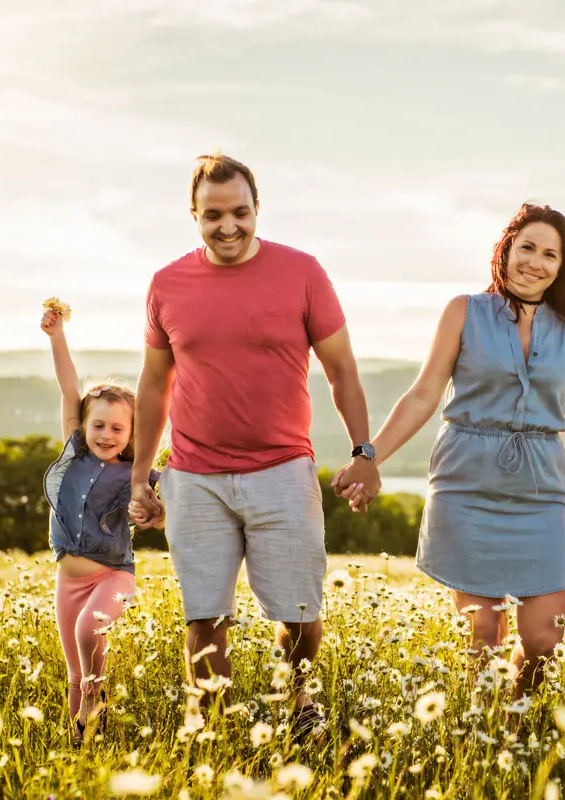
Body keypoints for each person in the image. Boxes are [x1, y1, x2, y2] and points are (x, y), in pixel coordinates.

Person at [333, 203, 565, 699]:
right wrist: (369, 455)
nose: (535, 262)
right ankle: (493, 735)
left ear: (562, 267)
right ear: (507, 250)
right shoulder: (464, 311)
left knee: (544, 640)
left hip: (539, 489)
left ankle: (515, 713)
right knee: (482, 637)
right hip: (466, 482)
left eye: (549, 255)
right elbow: (424, 395)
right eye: (527, 248)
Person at [127, 153, 379, 739]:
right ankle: (209, 725)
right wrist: (142, 472)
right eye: (213, 215)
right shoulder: (166, 284)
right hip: (193, 475)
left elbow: (342, 370)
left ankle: (300, 707)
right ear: (194, 215)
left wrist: (363, 451)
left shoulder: (303, 272)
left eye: (240, 212)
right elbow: (154, 382)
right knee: (205, 613)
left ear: (257, 209)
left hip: (284, 471)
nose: (229, 226)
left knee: (299, 612)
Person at [40, 301, 160, 744]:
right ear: (84, 426)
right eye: (99, 426)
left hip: (114, 575)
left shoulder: (136, 473)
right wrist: (56, 337)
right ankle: (82, 743)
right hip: (67, 580)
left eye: (117, 429)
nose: (107, 435)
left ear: (132, 435)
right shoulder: (75, 454)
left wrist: (154, 511)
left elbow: (165, 508)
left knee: (90, 630)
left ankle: (97, 698)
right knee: (74, 671)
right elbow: (68, 386)